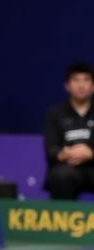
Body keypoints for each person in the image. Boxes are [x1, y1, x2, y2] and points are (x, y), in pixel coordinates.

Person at [43, 61, 94, 200]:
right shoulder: (55, 113)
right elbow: (51, 150)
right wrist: (64, 154)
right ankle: (61, 221)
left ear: (93, 86)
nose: (81, 85)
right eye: (76, 80)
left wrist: (90, 153)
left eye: (86, 80)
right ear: (67, 86)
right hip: (67, 168)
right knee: (60, 175)